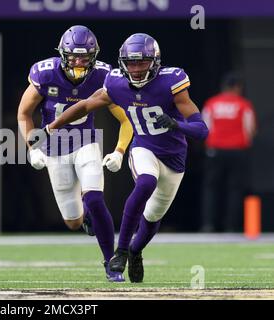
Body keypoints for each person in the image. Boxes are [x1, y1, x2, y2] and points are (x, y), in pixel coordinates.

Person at [43, 33, 208, 282]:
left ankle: (135, 250)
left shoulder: (170, 82)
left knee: (153, 216)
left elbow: (202, 129)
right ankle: (120, 252)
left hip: (174, 158)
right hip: (144, 147)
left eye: (142, 62)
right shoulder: (116, 83)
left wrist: (176, 124)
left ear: (155, 62)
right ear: (122, 63)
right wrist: (51, 126)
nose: (136, 68)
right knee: (145, 183)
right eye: (131, 63)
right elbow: (86, 105)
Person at [17, 25, 133, 282]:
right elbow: (25, 113)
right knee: (72, 221)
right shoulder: (45, 73)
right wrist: (32, 147)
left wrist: (119, 151)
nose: (79, 62)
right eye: (74, 56)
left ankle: (110, 263)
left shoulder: (103, 75)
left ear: (94, 56)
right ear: (63, 54)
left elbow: (126, 120)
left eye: (85, 57)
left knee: (94, 197)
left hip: (85, 143)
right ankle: (86, 216)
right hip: (53, 150)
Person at [201, 72, 257, 232]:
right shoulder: (244, 105)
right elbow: (251, 129)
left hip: (215, 151)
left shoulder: (211, 103)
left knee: (211, 188)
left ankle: (208, 225)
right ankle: (231, 226)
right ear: (238, 87)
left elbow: (204, 128)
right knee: (235, 188)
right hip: (238, 151)